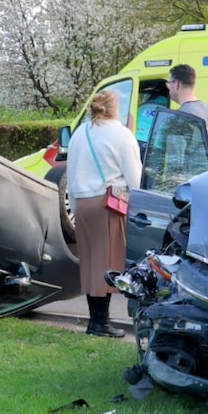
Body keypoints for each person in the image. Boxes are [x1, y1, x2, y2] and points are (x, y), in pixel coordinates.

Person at [66, 90, 142, 337]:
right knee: (107, 262)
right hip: (108, 204)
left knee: (90, 263)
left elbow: (71, 171)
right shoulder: (121, 135)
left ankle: (95, 320)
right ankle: (101, 323)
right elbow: (135, 179)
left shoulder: (80, 133)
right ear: (115, 108)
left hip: (83, 204)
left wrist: (76, 207)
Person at [168, 64, 208, 164]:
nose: (169, 88)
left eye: (169, 83)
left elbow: (176, 163)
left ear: (176, 84)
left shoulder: (181, 117)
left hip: (190, 178)